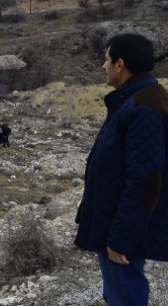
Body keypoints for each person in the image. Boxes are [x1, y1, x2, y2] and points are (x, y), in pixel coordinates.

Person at [75, 33, 168, 306]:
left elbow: (145, 179)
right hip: (116, 220)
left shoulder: (143, 107)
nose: (103, 66)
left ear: (120, 65)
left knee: (125, 295)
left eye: (106, 60)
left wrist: (121, 238)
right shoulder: (134, 99)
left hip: (121, 228)